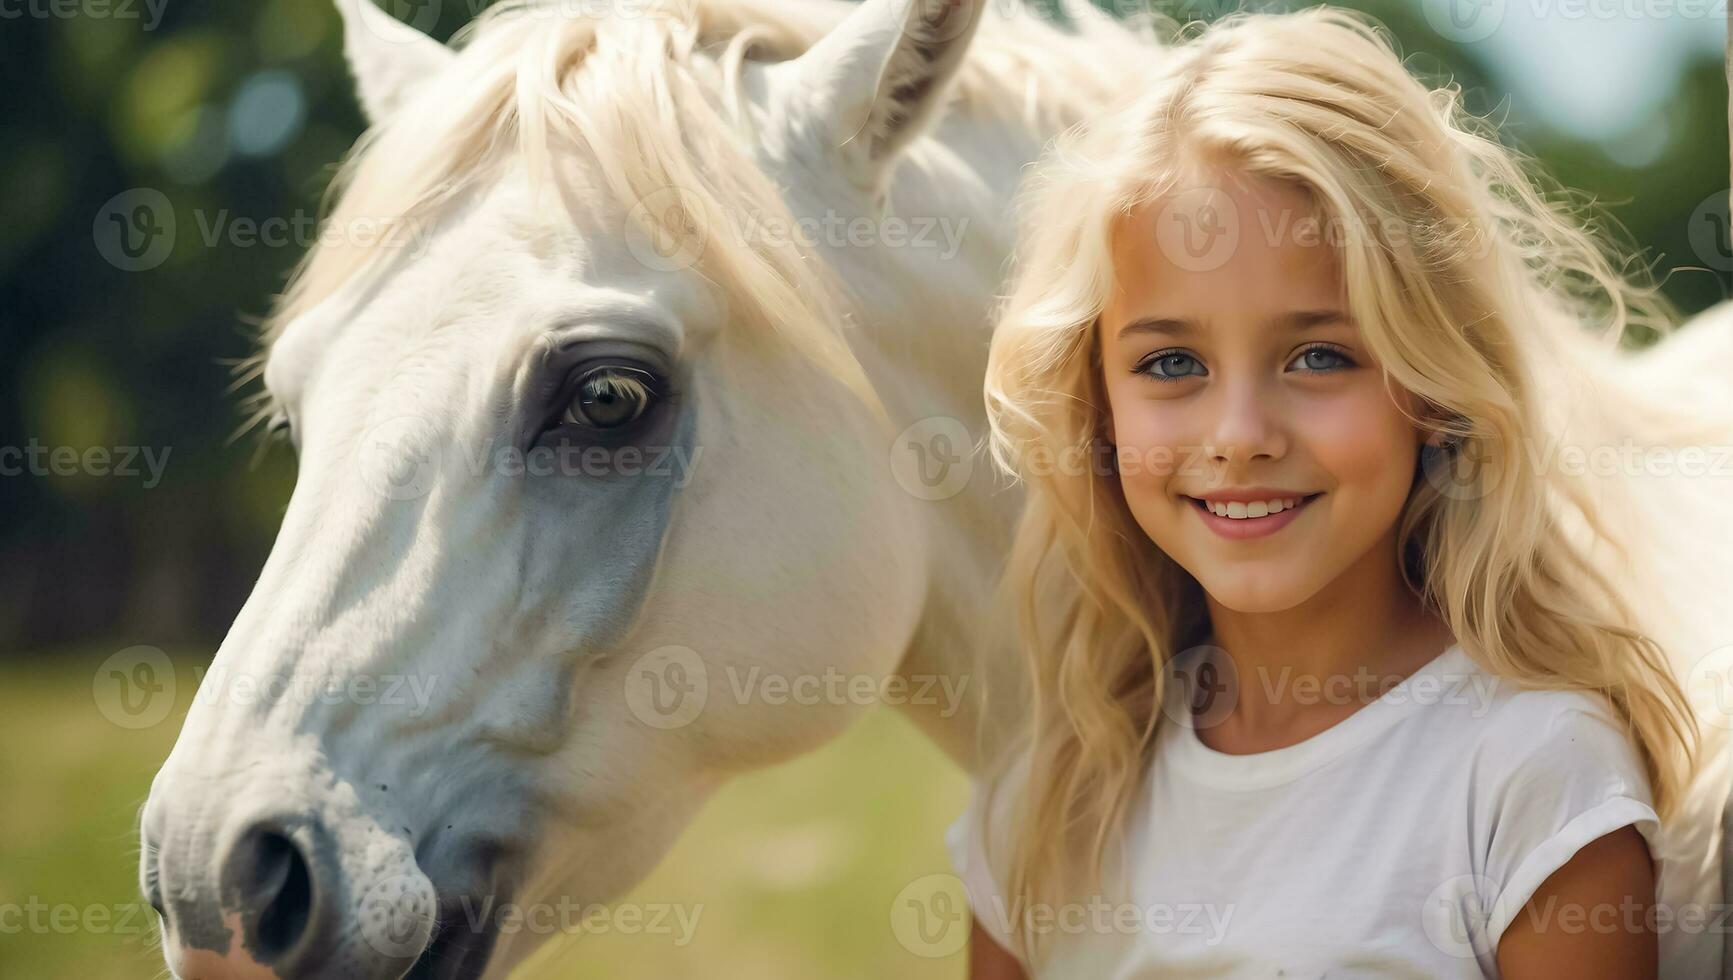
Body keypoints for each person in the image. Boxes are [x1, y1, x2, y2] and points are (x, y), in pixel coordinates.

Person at [952, 7, 1705, 978]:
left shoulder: (1528, 776)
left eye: (1317, 355)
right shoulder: (1047, 803)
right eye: (1170, 360)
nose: (1238, 436)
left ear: (1431, 385)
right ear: (1093, 400)